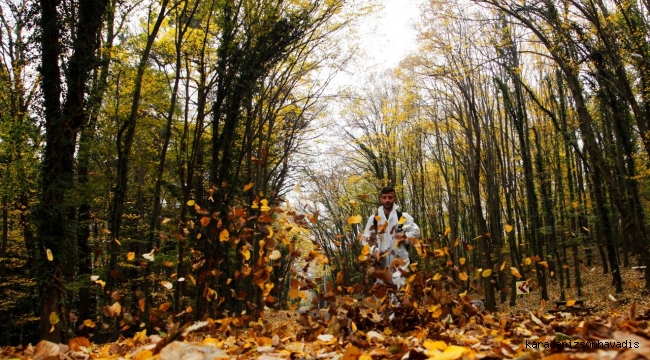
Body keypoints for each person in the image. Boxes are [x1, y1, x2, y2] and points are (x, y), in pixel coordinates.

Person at [361, 186, 420, 289]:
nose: (387, 200)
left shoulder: (402, 216)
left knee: (399, 295)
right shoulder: (374, 219)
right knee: (382, 296)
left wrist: (405, 236)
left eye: (390, 197)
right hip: (380, 265)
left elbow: (416, 231)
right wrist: (374, 251)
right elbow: (366, 239)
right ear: (381, 199)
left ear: (394, 199)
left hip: (400, 263)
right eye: (384, 197)